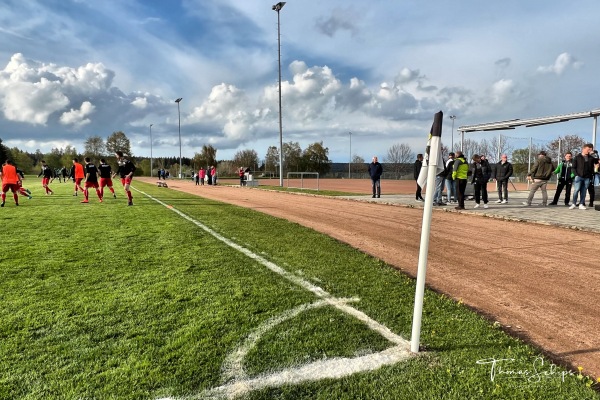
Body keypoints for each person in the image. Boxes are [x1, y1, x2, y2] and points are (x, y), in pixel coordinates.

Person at [570, 143, 595, 210]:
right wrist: (576, 175)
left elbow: (595, 164)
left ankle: (581, 204)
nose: (589, 151)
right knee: (576, 190)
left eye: (590, 150)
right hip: (579, 176)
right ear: (583, 149)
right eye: (588, 149)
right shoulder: (577, 157)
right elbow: (573, 167)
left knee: (584, 191)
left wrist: (591, 175)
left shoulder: (591, 158)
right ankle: (573, 203)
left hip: (587, 177)